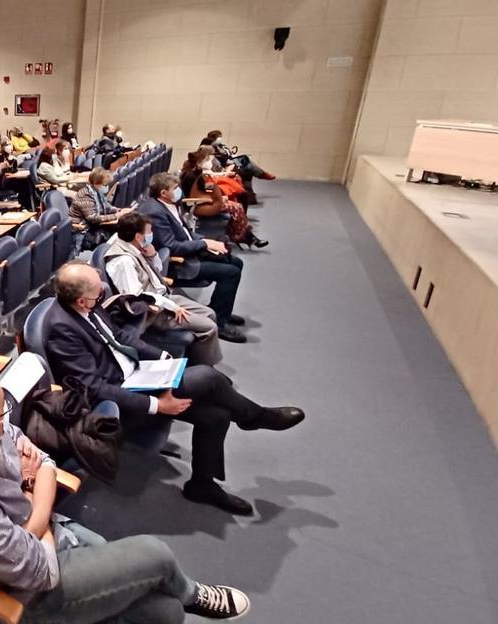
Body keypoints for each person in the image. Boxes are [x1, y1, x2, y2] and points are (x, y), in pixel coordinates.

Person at [0, 368, 252, 624]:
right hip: (33, 599)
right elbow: (44, 572)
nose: (8, 415)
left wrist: (33, 508)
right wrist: (36, 499)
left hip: (54, 535)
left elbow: (44, 460)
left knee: (165, 614)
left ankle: (182, 601)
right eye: (3, 409)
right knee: (156, 553)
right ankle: (192, 595)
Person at [43, 262, 304, 515]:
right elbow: (95, 388)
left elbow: (119, 338)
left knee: (216, 416)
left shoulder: (89, 303)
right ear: (80, 300)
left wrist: (164, 359)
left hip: (138, 376)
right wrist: (158, 405)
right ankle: (256, 417)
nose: (103, 287)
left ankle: (202, 486)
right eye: (97, 287)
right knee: (208, 377)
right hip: (121, 399)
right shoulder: (62, 329)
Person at [137, 173, 245, 342]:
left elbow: (185, 232)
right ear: (164, 193)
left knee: (236, 262)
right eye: (175, 188)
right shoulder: (155, 212)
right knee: (230, 273)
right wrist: (204, 245)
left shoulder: (169, 204)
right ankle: (221, 324)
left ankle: (219, 311)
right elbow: (171, 246)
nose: (179, 191)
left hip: (189, 253)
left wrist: (205, 240)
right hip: (177, 264)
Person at [103, 213, 222, 365]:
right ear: (139, 236)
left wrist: (153, 256)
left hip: (164, 298)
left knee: (210, 314)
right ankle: (203, 370)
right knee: (209, 328)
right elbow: (136, 297)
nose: (151, 235)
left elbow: (156, 274)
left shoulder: (134, 248)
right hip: (154, 311)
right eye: (149, 232)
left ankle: (196, 362)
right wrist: (172, 307)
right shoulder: (123, 261)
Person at [180, 147, 265, 248]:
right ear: (199, 162)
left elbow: (207, 189)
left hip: (205, 201)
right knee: (237, 208)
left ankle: (245, 236)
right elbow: (195, 195)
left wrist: (219, 197)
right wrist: (216, 199)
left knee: (236, 206)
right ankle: (243, 236)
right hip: (197, 205)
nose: (209, 162)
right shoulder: (191, 176)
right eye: (207, 160)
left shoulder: (198, 173)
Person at [70, 167, 129, 240]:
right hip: (83, 230)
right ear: (95, 183)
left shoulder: (97, 191)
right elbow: (93, 218)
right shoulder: (85, 195)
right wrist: (115, 216)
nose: (106, 187)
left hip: (93, 226)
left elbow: (107, 207)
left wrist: (119, 210)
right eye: (104, 184)